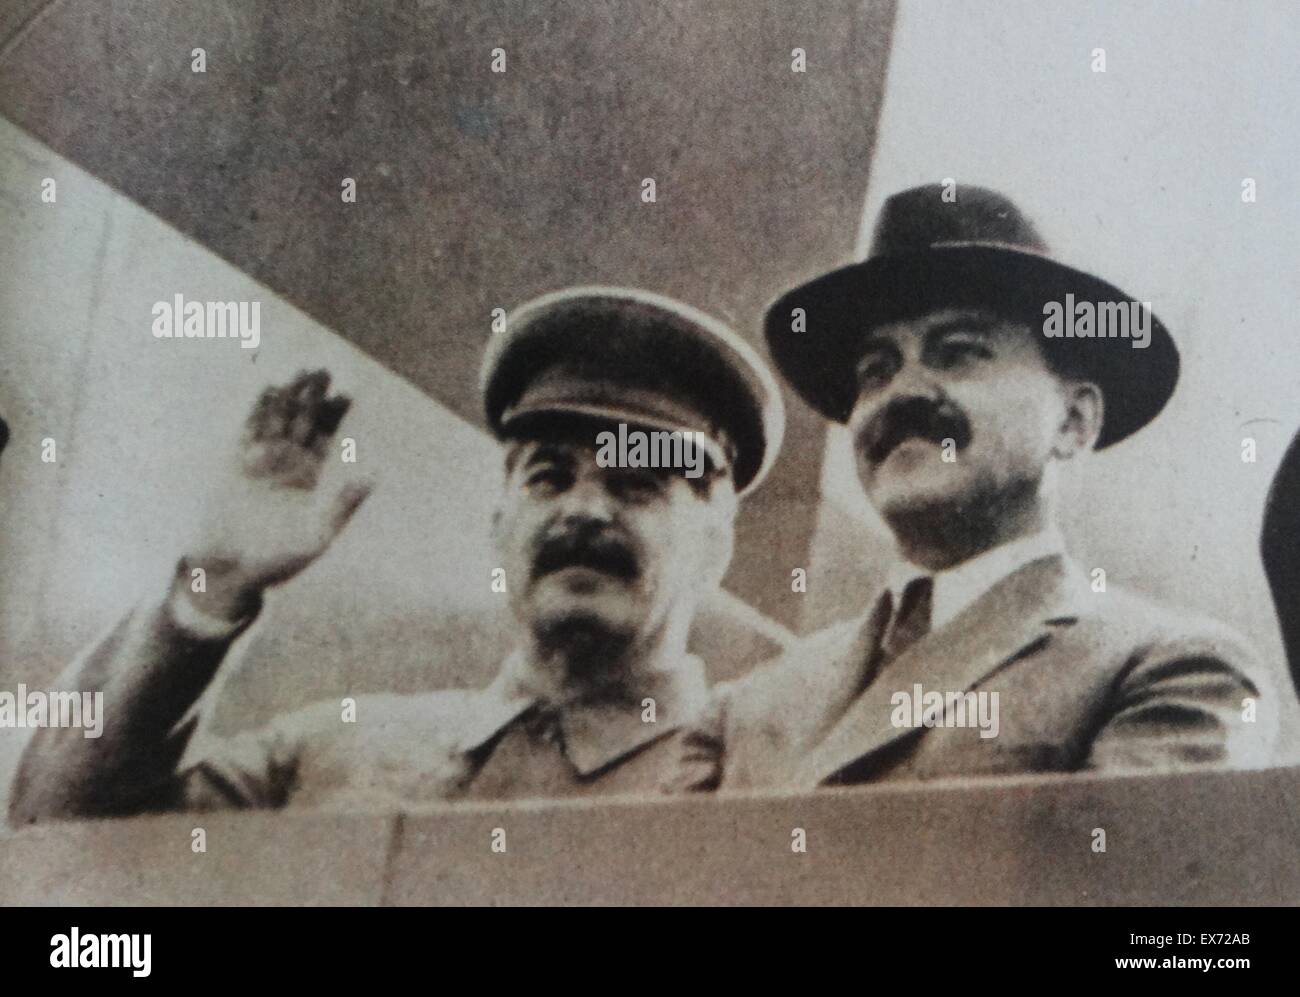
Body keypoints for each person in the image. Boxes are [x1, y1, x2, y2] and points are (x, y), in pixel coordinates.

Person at [9, 286, 783, 820]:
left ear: (719, 540)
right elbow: (57, 830)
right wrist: (209, 590)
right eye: (548, 475)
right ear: (498, 522)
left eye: (636, 483)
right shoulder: (330, 752)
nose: (584, 508)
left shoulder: (765, 780)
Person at [681, 184, 1277, 791]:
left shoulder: (1169, 670)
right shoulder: (739, 712)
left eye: (960, 353)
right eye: (877, 370)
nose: (904, 392)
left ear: (1073, 423)